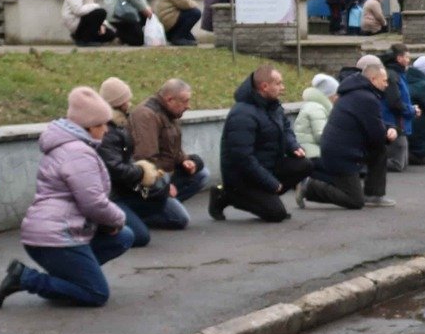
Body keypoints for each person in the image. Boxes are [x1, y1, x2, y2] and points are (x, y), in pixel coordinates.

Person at [0, 87, 135, 309]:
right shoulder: (78, 153)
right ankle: (25, 278)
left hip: (55, 232)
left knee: (123, 236)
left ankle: (66, 281)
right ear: (90, 127)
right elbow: (93, 203)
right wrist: (118, 219)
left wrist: (114, 224)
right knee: (96, 293)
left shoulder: (72, 147)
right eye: (102, 124)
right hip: (57, 236)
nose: (107, 129)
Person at [211, 66, 309, 223]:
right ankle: (226, 195)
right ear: (264, 86)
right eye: (278, 83)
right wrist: (271, 183)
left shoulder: (273, 106)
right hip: (242, 178)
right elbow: (243, 158)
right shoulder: (242, 114)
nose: (283, 88)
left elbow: (286, 128)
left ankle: (267, 197)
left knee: (304, 164)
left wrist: (293, 146)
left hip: (266, 168)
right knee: (276, 214)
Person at [300, 59, 398, 210]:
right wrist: (388, 135)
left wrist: (389, 128)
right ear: (373, 79)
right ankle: (309, 187)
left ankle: (373, 195)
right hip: (342, 154)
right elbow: (376, 135)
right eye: (384, 81)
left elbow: (372, 123)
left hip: (340, 150)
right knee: (354, 200)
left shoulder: (356, 93)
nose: (386, 84)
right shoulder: (366, 98)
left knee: (379, 150)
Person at [127, 79, 208, 227]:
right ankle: (138, 215)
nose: (188, 106)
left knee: (202, 174)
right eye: (185, 101)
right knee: (180, 219)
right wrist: (164, 186)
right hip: (148, 182)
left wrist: (186, 160)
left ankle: (163, 206)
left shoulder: (170, 113)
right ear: (170, 99)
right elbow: (145, 160)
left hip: (165, 173)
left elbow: (172, 149)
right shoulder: (146, 115)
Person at [95, 77, 158, 248]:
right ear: (119, 102)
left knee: (163, 200)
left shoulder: (120, 124)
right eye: (126, 99)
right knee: (139, 236)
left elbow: (125, 157)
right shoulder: (107, 130)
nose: (130, 102)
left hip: (122, 188)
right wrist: (141, 172)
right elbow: (114, 168)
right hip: (110, 194)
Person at [378, 42, 420, 172]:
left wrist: (411, 108)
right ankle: (367, 164)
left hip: (400, 124)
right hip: (395, 124)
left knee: (403, 164)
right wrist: (412, 110)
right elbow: (394, 102)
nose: (408, 60)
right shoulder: (393, 76)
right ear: (399, 58)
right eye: (407, 57)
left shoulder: (398, 75)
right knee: (398, 164)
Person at [295, 73, 338, 161]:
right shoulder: (316, 108)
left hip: (311, 150)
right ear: (329, 95)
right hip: (313, 154)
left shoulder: (317, 106)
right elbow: (321, 136)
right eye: (336, 94)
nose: (338, 97)